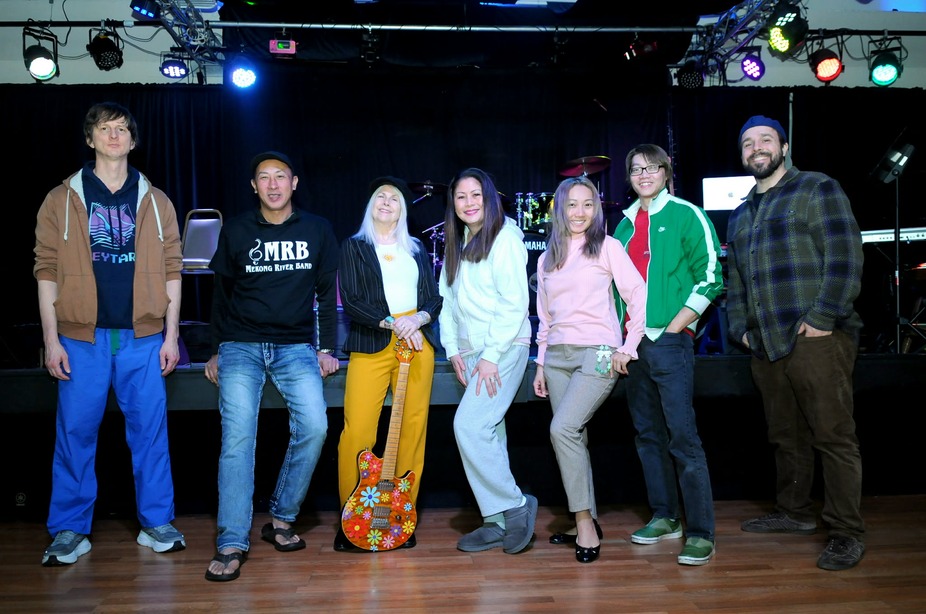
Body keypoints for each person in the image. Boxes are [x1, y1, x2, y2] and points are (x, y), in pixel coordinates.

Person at [34, 101, 186, 567]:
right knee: (75, 434)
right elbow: (46, 271)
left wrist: (171, 336)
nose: (114, 135)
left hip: (144, 338)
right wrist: (52, 340)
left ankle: (156, 523)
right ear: (90, 138)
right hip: (82, 340)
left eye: (122, 129)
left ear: (133, 141)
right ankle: (69, 530)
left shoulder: (157, 201)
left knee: (150, 434)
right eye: (104, 128)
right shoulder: (60, 199)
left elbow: (173, 271)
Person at [727, 115, 866, 571]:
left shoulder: (817, 188)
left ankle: (846, 532)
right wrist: (740, 328)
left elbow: (845, 256)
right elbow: (735, 281)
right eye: (748, 143)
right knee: (786, 435)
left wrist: (823, 317)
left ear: (784, 148)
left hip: (817, 336)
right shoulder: (740, 213)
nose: (757, 148)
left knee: (833, 435)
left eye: (766, 140)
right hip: (765, 342)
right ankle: (795, 512)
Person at [203, 151, 340, 582]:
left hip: (295, 346)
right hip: (240, 345)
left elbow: (326, 295)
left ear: (294, 182)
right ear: (254, 186)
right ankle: (231, 541)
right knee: (238, 437)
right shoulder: (237, 230)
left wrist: (326, 348)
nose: (273, 184)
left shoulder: (317, 229)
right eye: (264, 177)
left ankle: (281, 516)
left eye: (281, 176)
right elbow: (221, 295)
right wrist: (215, 349)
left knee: (315, 426)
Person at [613, 144, 724, 566]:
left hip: (669, 341)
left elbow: (711, 276)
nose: (643, 175)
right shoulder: (623, 226)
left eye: (651, 167)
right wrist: (621, 342)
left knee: (682, 438)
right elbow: (615, 291)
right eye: (636, 169)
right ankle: (665, 517)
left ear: (666, 171)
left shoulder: (686, 214)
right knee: (648, 437)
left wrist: (677, 327)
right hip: (634, 346)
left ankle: (700, 533)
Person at [532, 176, 647, 564]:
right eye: (572, 204)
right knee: (573, 436)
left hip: (598, 352)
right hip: (557, 357)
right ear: (560, 210)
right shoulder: (546, 259)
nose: (580, 212)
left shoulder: (608, 247)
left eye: (588, 204)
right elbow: (545, 318)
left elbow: (638, 294)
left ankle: (583, 523)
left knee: (562, 429)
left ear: (596, 209)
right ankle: (588, 517)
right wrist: (540, 363)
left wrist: (628, 346)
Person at [334, 176, 443, 552]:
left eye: (394, 198)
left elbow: (433, 299)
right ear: (371, 206)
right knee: (358, 431)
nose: (385, 201)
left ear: (402, 210)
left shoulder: (416, 248)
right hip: (373, 341)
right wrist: (394, 323)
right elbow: (352, 301)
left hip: (415, 342)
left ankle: (400, 517)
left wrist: (418, 320)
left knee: (412, 430)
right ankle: (353, 518)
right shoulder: (354, 246)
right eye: (379, 196)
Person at [438, 167, 537, 555]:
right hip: (471, 352)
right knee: (490, 433)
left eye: (475, 195)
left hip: (504, 347)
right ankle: (496, 521)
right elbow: (447, 301)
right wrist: (453, 349)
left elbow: (515, 304)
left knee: (469, 425)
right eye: (460, 196)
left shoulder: (505, 238)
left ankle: (515, 505)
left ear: (489, 197)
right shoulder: (458, 241)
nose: (468, 203)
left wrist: (491, 357)